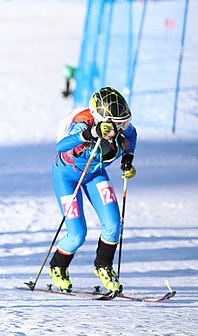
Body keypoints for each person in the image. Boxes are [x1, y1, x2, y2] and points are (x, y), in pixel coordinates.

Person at [48, 87, 137, 293]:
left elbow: (132, 137)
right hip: (67, 177)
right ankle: (57, 267)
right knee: (77, 234)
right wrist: (90, 133)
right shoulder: (84, 122)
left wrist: (127, 159)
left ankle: (103, 266)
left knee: (114, 225)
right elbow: (61, 146)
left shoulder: (124, 127)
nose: (124, 126)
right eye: (119, 123)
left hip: (95, 174)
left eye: (125, 121)